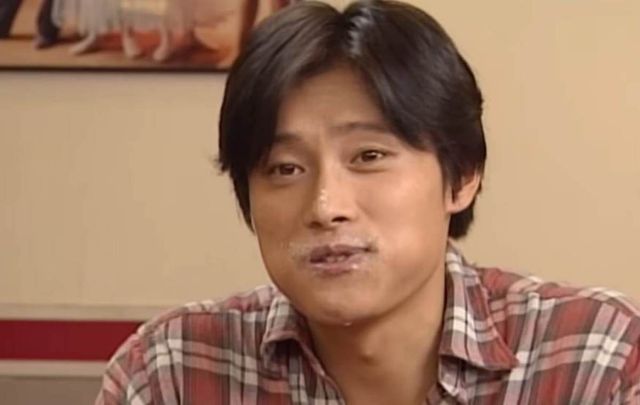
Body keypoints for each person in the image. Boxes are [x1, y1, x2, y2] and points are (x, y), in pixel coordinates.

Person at [95, 1, 640, 404]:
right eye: (285, 168)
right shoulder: (171, 371)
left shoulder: (600, 357)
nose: (325, 206)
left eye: (369, 156)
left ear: (462, 176)